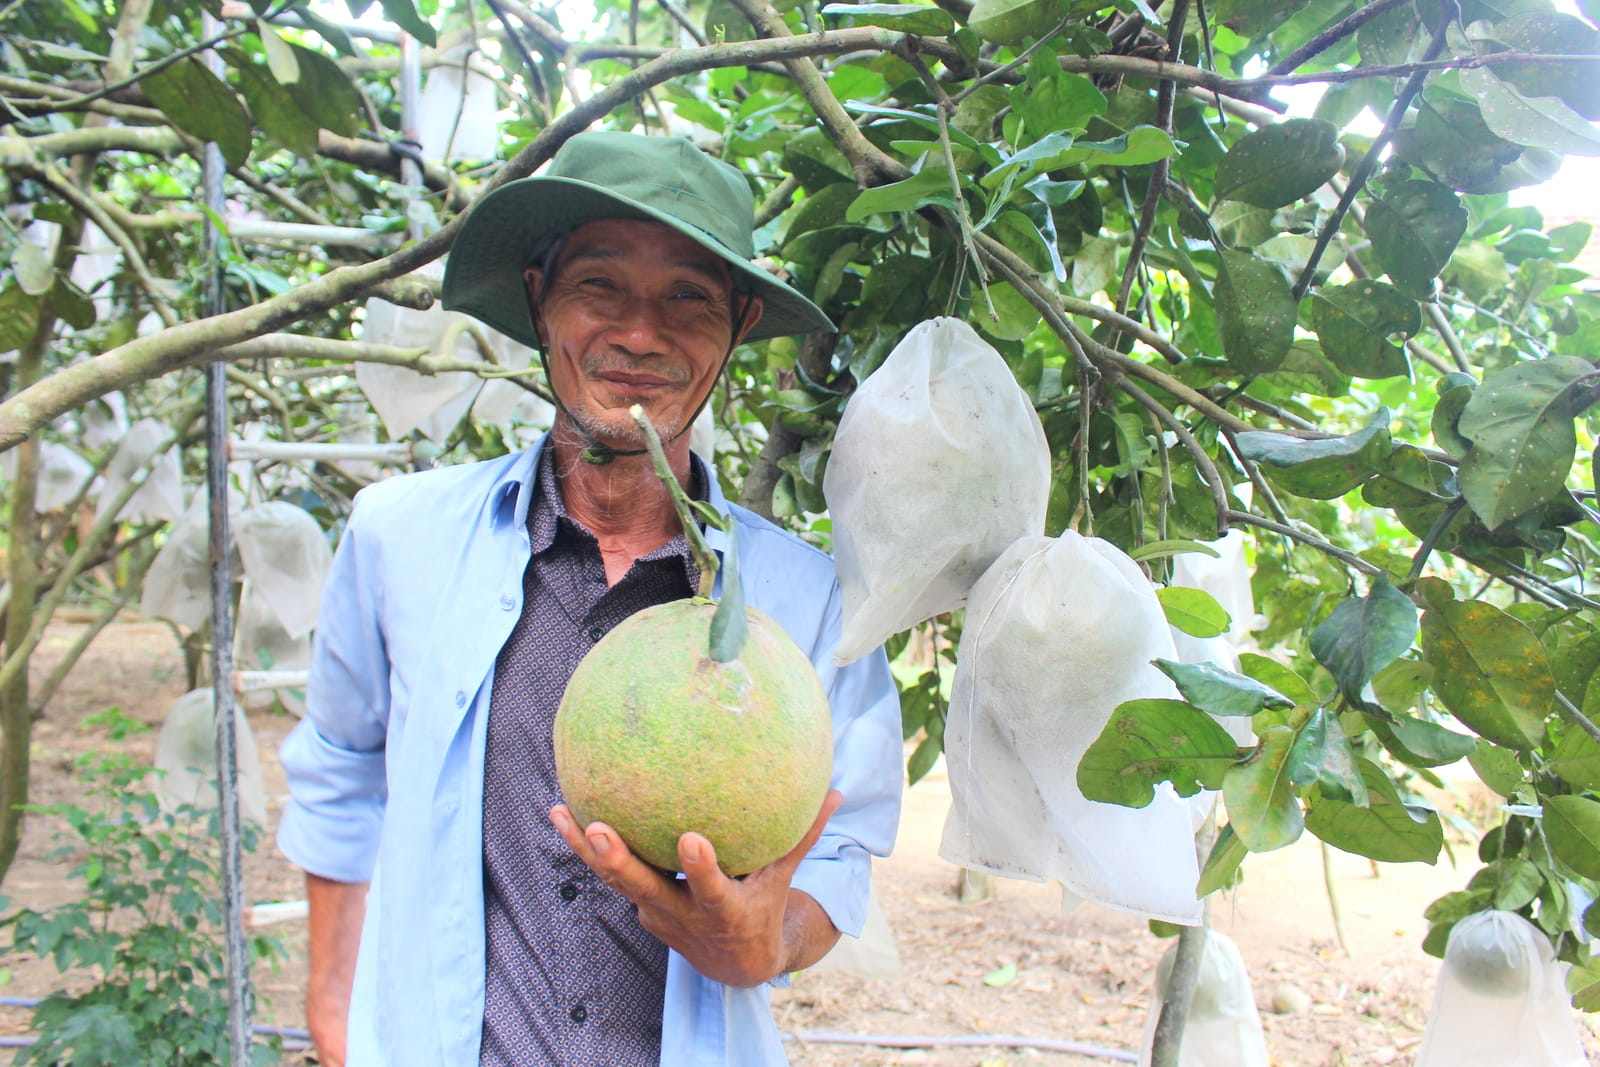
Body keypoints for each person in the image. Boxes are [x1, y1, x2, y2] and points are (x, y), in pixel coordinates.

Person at [276, 130, 904, 1067]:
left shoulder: (803, 598)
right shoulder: (397, 539)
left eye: (688, 296)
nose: (641, 332)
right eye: (599, 285)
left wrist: (766, 942)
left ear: (736, 324)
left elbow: (840, 849)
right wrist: (333, 1016)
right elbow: (340, 766)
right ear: (538, 299)